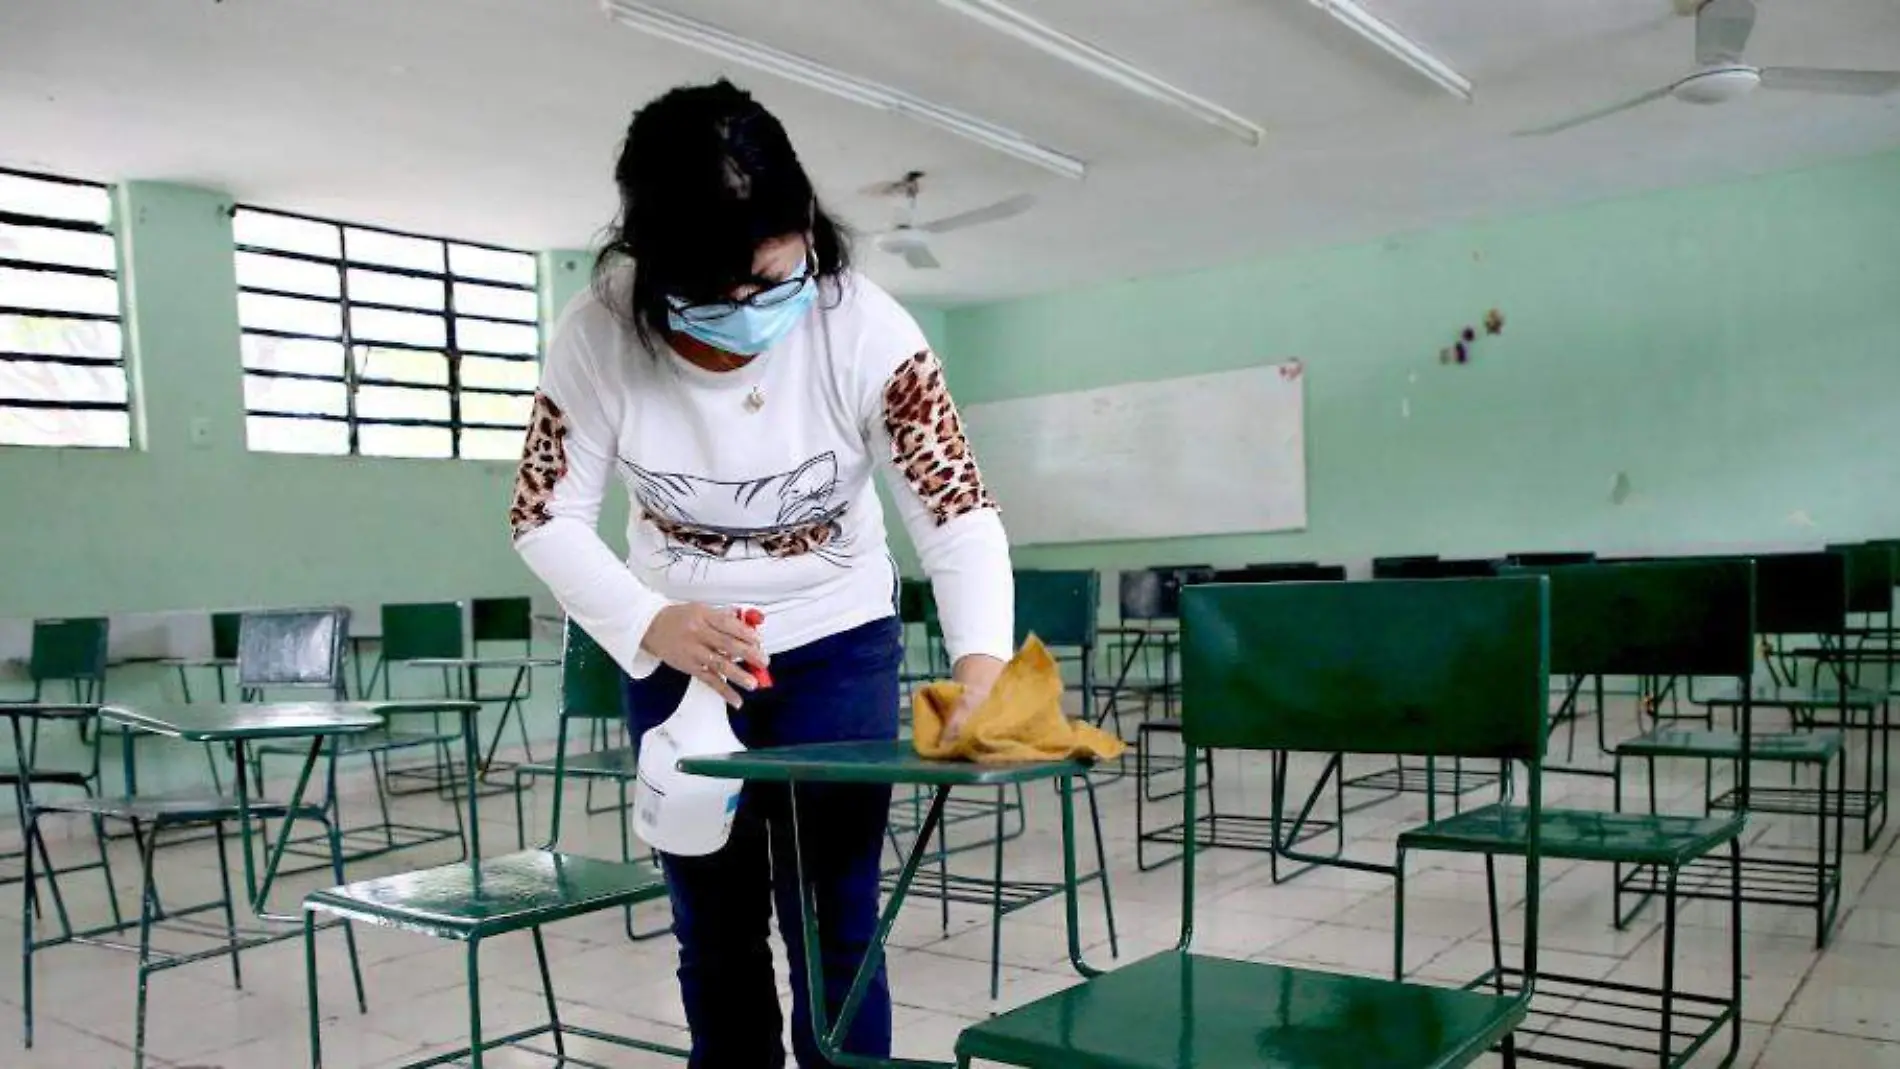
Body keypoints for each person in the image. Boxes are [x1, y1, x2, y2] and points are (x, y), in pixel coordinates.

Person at [509, 79, 1013, 1068]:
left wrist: (982, 661)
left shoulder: (867, 329)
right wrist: (649, 620)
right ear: (654, 266)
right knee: (714, 924)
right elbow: (542, 516)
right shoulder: (598, 335)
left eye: (773, 279)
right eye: (718, 294)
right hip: (676, 656)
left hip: (836, 645)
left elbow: (953, 512)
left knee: (836, 924)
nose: (750, 314)